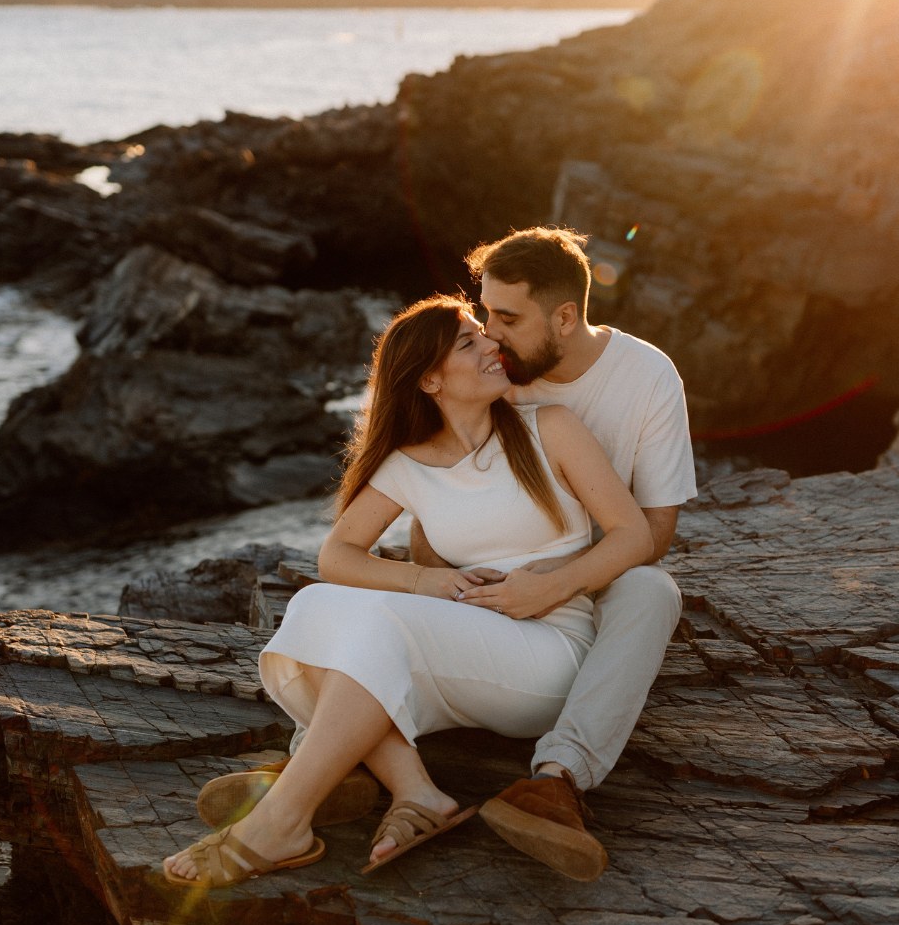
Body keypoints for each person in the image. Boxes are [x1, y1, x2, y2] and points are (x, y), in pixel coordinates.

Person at [163, 295, 652, 890]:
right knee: (316, 603)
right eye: (468, 343)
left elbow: (633, 537)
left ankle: (283, 818)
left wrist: (548, 587)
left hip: (545, 655)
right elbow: (336, 556)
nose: (492, 346)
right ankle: (414, 789)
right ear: (428, 379)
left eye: (484, 334)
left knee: (372, 625)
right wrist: (432, 581)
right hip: (461, 650)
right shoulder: (406, 464)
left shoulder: (548, 427)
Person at [421, 227, 696, 876]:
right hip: (482, 573)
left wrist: (558, 582)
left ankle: (556, 783)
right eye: (485, 312)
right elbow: (429, 520)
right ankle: (323, 758)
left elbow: (655, 532)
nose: (489, 333)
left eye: (507, 317)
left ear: (565, 317)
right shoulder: (491, 372)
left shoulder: (648, 377)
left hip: (597, 578)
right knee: (370, 592)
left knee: (655, 591)